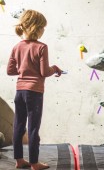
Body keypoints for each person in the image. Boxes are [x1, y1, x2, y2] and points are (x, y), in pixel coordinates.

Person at [7, 10, 62, 170]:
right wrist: (55, 68)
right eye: (43, 27)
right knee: (33, 128)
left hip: (20, 92)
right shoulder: (42, 47)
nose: (44, 30)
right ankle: (34, 163)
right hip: (34, 93)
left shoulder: (17, 47)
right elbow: (45, 72)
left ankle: (19, 160)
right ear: (36, 28)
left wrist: (24, 69)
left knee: (18, 126)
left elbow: (10, 71)